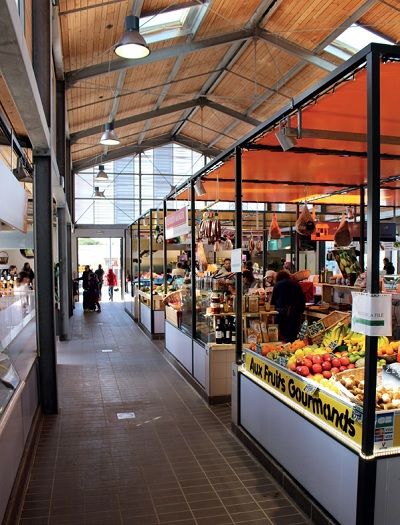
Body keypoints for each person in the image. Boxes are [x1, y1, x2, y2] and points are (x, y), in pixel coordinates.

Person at [271, 270, 306, 343]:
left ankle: (284, 349)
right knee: (293, 335)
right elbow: (302, 299)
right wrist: (300, 311)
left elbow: (273, 301)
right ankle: (292, 349)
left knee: (283, 336)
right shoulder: (296, 284)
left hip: (281, 313)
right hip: (295, 313)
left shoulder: (277, 285)